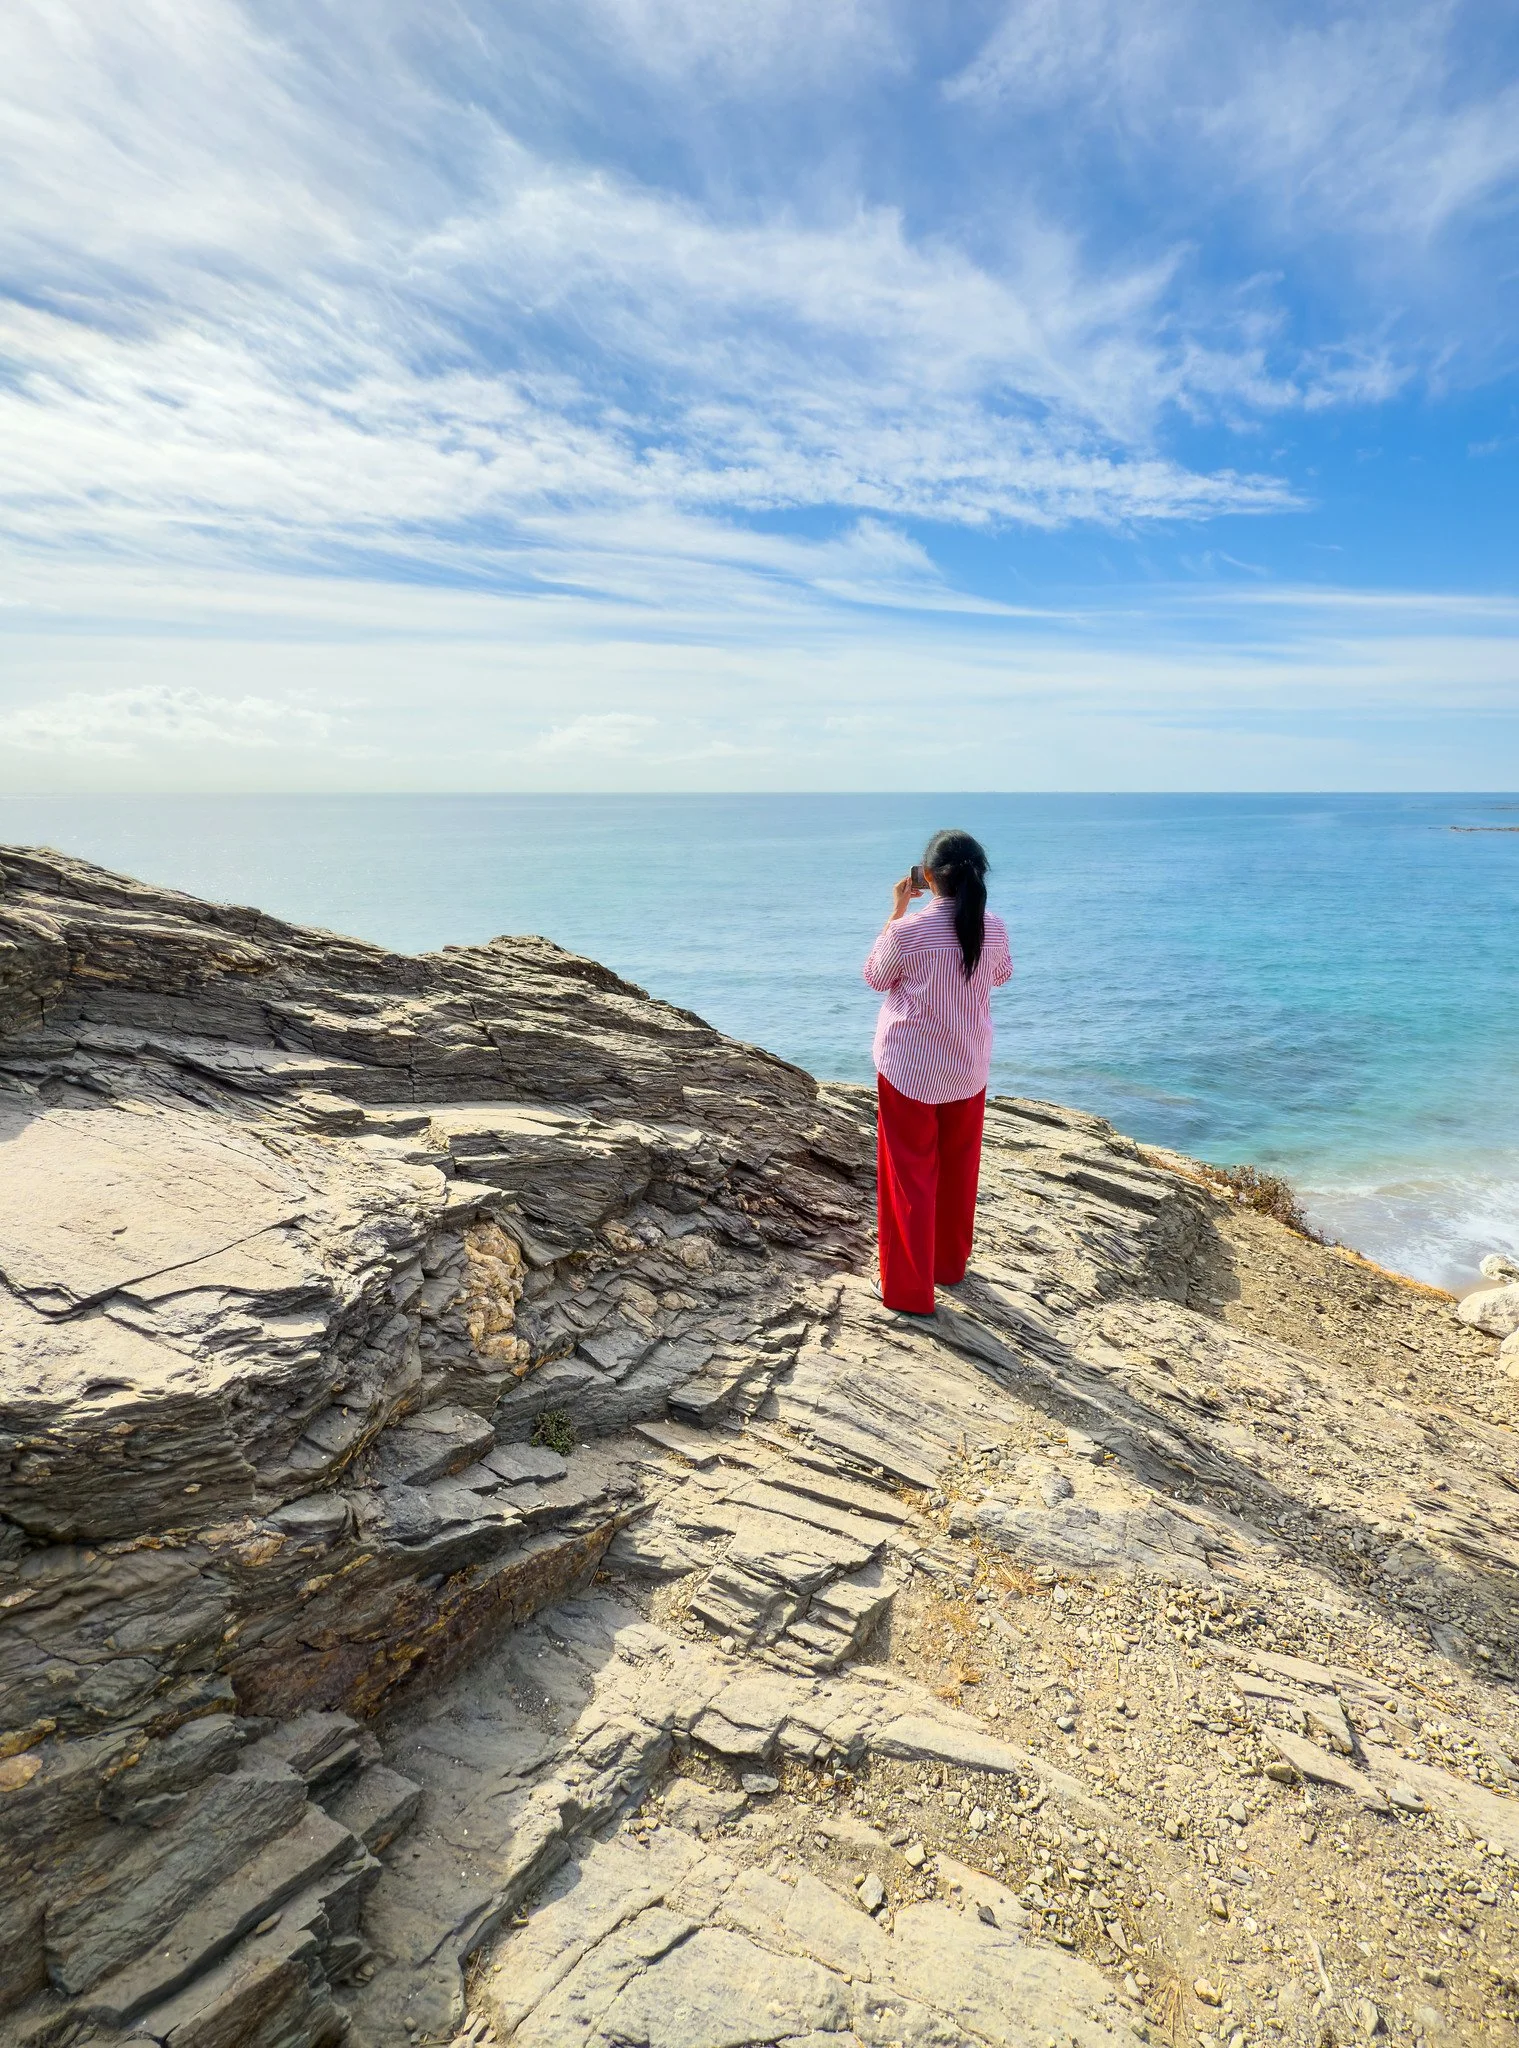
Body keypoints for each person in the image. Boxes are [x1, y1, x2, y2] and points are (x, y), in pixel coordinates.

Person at [863, 829, 1013, 1314]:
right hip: (968, 1067)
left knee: (910, 1175)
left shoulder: (908, 933)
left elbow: (875, 978)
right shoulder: (993, 927)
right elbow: (1002, 974)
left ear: (926, 877)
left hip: (910, 1068)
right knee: (957, 1169)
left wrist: (896, 912)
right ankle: (948, 1265)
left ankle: (907, 1289)